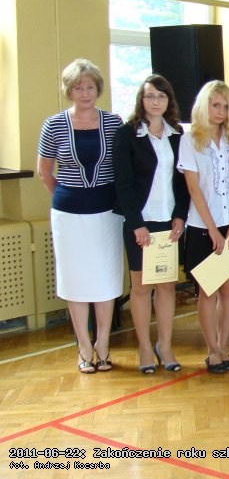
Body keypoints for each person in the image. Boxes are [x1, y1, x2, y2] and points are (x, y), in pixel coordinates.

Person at [37, 59, 123, 374]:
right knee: (75, 278)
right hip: (69, 214)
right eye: (78, 87)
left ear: (98, 89)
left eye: (90, 87)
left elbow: (122, 167)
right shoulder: (53, 124)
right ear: (69, 91)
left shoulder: (114, 122)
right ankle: (84, 345)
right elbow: (44, 172)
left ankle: (103, 343)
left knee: (105, 275)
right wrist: (69, 197)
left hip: (107, 211)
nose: (85, 93)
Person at [113, 75, 189, 374]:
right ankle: (145, 347)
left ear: (169, 100)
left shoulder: (178, 135)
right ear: (141, 100)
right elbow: (123, 183)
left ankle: (165, 345)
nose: (155, 101)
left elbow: (183, 181)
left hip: (169, 222)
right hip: (140, 223)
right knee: (142, 287)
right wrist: (136, 223)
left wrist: (180, 215)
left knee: (167, 286)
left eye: (161, 96)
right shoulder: (127, 134)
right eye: (150, 96)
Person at [177, 80, 229, 374]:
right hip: (202, 227)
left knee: (228, 289)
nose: (220, 111)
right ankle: (211, 350)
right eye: (215, 105)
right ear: (204, 106)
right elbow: (194, 190)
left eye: (226, 106)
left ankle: (224, 345)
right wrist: (213, 230)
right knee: (208, 292)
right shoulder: (190, 140)